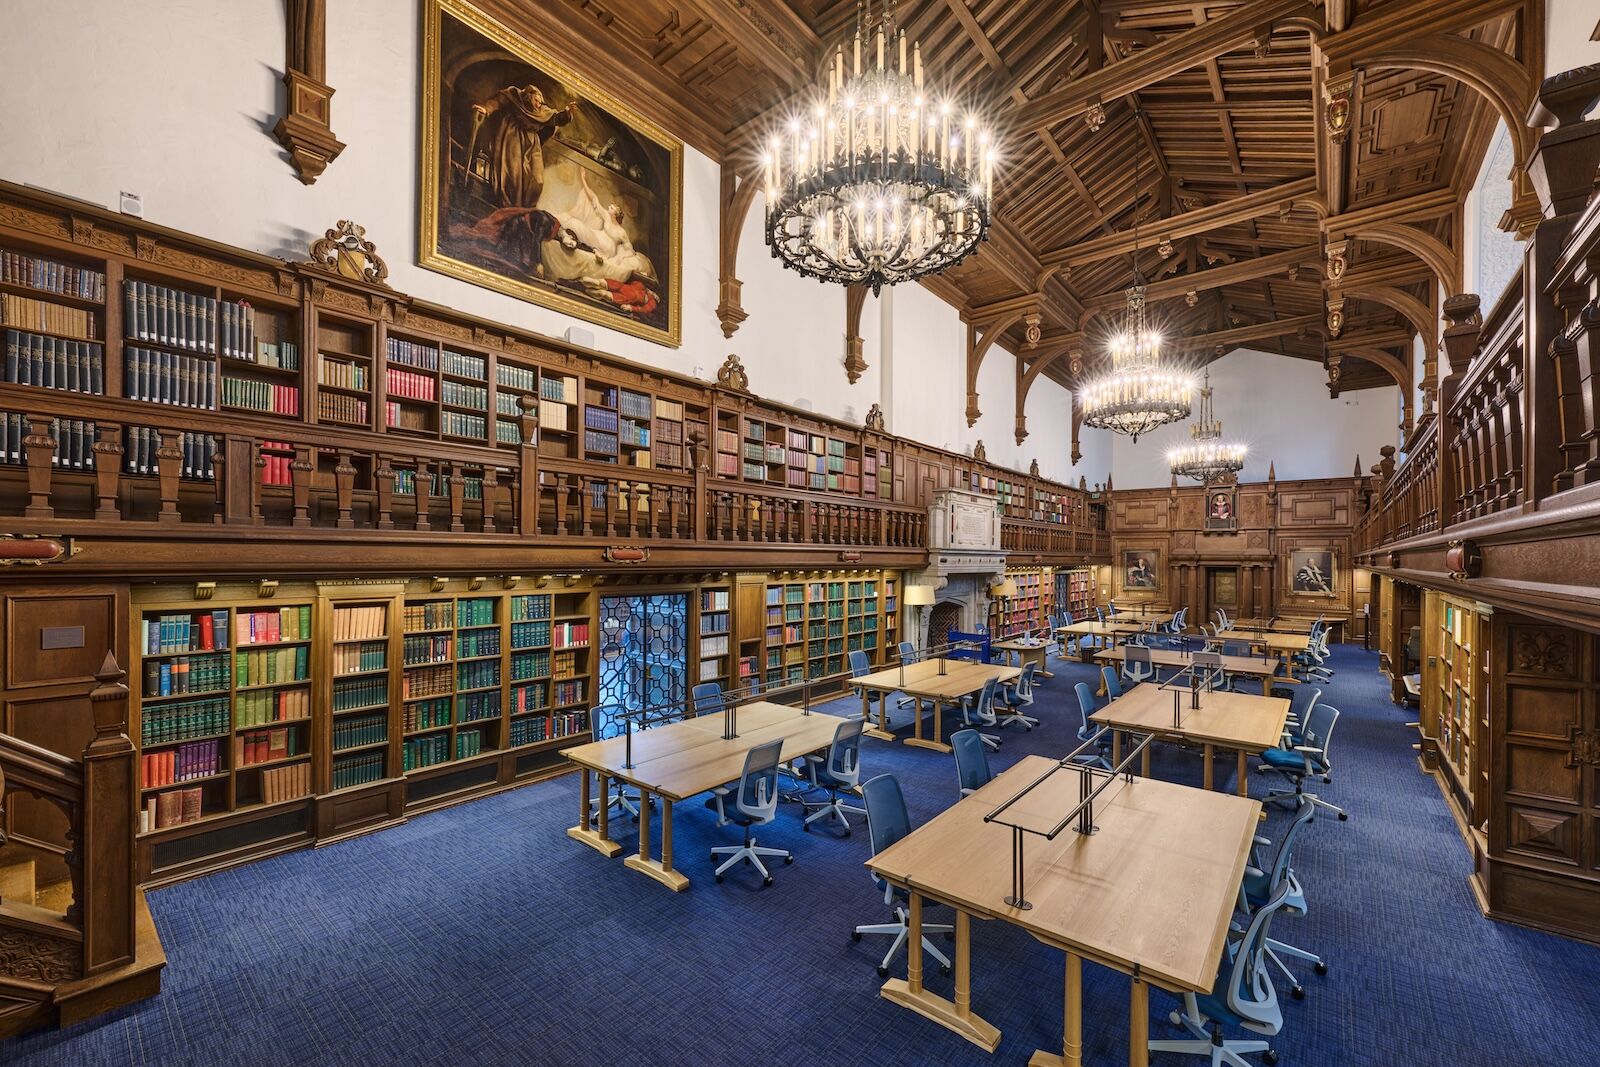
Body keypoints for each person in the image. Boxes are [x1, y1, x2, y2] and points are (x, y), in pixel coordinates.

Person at [470, 84, 578, 213]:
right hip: (512, 136)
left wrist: (568, 113)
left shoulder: (542, 111)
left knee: (537, 180)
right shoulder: (515, 96)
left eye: (540, 102)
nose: (538, 104)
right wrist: (486, 109)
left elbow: (557, 118)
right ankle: (510, 208)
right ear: (528, 96)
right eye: (536, 100)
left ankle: (526, 209)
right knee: (513, 173)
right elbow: (498, 101)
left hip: (532, 143)